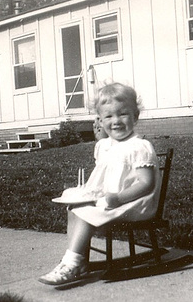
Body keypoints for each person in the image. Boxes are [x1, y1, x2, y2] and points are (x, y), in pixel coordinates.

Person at [38, 82, 161, 285]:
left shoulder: (140, 146)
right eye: (109, 117)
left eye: (123, 114)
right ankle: (79, 260)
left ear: (135, 117)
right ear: (101, 121)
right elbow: (107, 171)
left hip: (133, 203)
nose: (116, 121)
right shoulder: (104, 145)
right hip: (110, 200)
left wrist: (118, 197)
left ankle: (71, 262)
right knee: (74, 206)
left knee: (86, 212)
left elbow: (146, 184)